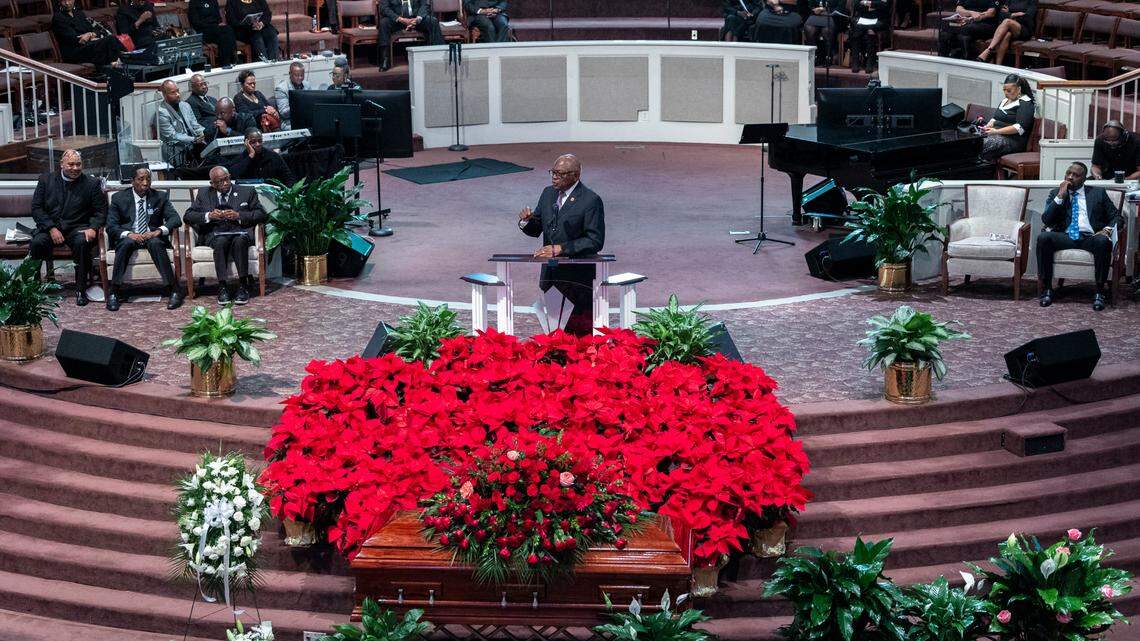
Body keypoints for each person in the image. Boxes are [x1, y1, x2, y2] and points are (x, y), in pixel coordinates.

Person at [517, 154, 605, 337]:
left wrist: (561, 249)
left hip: (578, 281)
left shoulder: (590, 200)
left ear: (576, 175)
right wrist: (525, 221)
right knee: (554, 334)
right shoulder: (548, 193)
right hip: (551, 276)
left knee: (578, 335)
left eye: (560, 173)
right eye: (553, 172)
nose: (554, 177)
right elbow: (537, 228)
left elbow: (595, 240)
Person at [1037, 162, 1120, 311]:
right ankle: (1048, 289)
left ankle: (1099, 292)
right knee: (1044, 238)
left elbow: (1116, 217)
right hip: (1066, 236)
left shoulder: (1097, 193)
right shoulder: (1056, 193)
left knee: (1103, 242)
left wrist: (1107, 230)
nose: (1070, 177)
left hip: (1090, 237)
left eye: (1076, 175)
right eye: (1068, 173)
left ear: (1084, 179)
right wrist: (1060, 196)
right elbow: (1046, 220)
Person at [29, 150, 106, 306]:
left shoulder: (91, 183)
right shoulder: (46, 180)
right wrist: (51, 228)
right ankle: (34, 288)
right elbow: (37, 208)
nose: (75, 168)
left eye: (78, 164)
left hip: (77, 227)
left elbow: (101, 211)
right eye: (71, 164)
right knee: (37, 243)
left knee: (82, 242)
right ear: (62, 164)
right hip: (51, 227)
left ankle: (80, 289)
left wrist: (93, 228)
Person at [184, 166, 267, 304]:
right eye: (220, 181)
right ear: (212, 184)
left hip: (239, 232)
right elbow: (188, 216)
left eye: (227, 178)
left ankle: (243, 285)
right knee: (220, 242)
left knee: (240, 241)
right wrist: (209, 215)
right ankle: (222, 286)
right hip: (215, 233)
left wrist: (239, 215)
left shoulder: (247, 192)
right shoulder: (204, 194)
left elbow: (262, 214)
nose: (226, 183)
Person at [105, 167, 183, 311]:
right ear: (132, 181)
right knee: (125, 243)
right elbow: (111, 226)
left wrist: (158, 231)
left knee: (156, 243)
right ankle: (114, 291)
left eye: (148, 179)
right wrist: (129, 234)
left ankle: (174, 290)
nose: (145, 183)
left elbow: (175, 219)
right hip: (129, 236)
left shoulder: (160, 197)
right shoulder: (119, 198)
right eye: (141, 179)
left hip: (151, 236)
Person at [978, 74, 1035, 161]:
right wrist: (988, 126)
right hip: (997, 134)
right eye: (1004, 90)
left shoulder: (1025, 103)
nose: (1005, 93)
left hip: (1013, 141)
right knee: (972, 142)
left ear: (1019, 89)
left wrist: (996, 131)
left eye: (1009, 90)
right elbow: (995, 118)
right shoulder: (1005, 100)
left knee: (980, 145)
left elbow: (1019, 128)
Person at [51, 0, 124, 68]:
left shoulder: (79, 13)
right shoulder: (58, 17)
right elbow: (75, 39)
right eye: (64, 0)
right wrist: (89, 35)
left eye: (69, 0)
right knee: (109, 40)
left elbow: (93, 30)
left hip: (87, 45)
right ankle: (123, 64)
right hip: (74, 51)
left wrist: (90, 34)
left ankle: (122, 64)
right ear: (60, 1)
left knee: (109, 42)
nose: (67, 3)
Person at [377, 0, 444, 71]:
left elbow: (424, 5)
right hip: (397, 20)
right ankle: (385, 60)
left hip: (415, 19)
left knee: (432, 21)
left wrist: (418, 18)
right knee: (384, 23)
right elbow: (384, 8)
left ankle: (439, 56)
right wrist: (400, 19)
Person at [156, 80, 206, 169]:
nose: (178, 94)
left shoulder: (185, 105)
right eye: (173, 92)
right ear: (164, 95)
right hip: (176, 150)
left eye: (177, 91)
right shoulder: (161, 112)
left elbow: (195, 125)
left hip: (193, 145)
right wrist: (194, 139)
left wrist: (203, 133)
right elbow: (172, 136)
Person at [975, 0, 1036, 64]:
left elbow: (1028, 17)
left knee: (1007, 21)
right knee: (1007, 35)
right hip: (1007, 29)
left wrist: (1009, 14)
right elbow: (1001, 15)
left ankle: (988, 50)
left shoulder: (1031, 1)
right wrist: (1014, 14)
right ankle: (998, 66)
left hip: (1024, 29)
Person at [226, 129, 296, 183]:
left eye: (260, 141)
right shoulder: (242, 158)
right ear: (246, 143)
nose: (258, 144)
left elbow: (289, 178)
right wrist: (250, 156)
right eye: (253, 142)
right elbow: (232, 175)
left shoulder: (273, 156)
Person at [188, 0, 236, 66]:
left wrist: (220, 23)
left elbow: (218, 18)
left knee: (226, 35)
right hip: (203, 31)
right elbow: (195, 22)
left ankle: (225, 63)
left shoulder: (213, 1)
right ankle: (230, 61)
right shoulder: (194, 2)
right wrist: (212, 25)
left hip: (217, 30)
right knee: (226, 32)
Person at [848, 0, 888, 73]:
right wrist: (872, 6)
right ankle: (855, 61)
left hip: (879, 19)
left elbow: (884, 5)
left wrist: (868, 3)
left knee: (870, 31)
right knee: (856, 29)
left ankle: (870, 62)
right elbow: (856, 4)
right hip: (863, 19)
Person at [804, 0, 845, 65]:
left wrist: (825, 10)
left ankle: (828, 56)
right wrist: (814, 9)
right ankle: (814, 55)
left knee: (826, 31)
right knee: (809, 29)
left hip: (832, 17)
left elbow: (841, 8)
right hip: (816, 16)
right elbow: (808, 5)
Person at [274, 62, 311, 127]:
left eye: (302, 75)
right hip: (289, 122)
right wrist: (299, 106)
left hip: (306, 119)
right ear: (290, 74)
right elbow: (284, 113)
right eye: (296, 75)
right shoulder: (281, 89)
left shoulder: (307, 85)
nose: (300, 78)